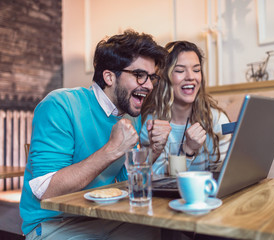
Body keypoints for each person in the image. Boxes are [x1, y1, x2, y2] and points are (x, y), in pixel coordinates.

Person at [20, 30, 171, 239]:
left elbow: (120, 182)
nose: (149, 85)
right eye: (139, 75)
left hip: (106, 217)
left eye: (151, 77)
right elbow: (47, 191)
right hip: (56, 224)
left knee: (164, 232)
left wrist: (151, 153)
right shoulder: (60, 105)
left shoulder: (130, 115)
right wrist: (111, 150)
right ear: (109, 77)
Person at [140, 41, 231, 176]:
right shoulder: (151, 125)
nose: (190, 77)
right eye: (180, 70)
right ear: (165, 77)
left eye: (196, 70)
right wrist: (187, 150)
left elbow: (222, 175)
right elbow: (158, 178)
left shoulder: (216, 120)